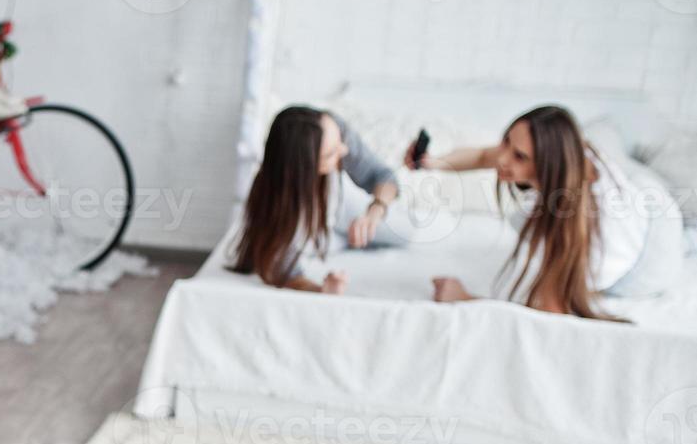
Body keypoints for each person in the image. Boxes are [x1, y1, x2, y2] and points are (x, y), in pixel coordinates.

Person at [412, 105, 684, 318]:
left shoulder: (568, 223)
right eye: (506, 142)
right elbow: (485, 156)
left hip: (648, 261)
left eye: (519, 157)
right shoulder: (569, 153)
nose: (502, 158)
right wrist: (432, 163)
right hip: (641, 199)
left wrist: (462, 298)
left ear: (550, 164)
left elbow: (548, 317)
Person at [230, 105, 401, 295]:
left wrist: (374, 213)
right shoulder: (282, 207)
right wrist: (321, 289)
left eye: (340, 142)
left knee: (404, 232)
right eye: (330, 155)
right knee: (307, 243)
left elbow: (384, 176)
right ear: (304, 170)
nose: (344, 151)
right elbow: (282, 271)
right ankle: (334, 237)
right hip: (316, 218)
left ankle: (339, 235)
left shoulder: (332, 129)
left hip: (345, 204)